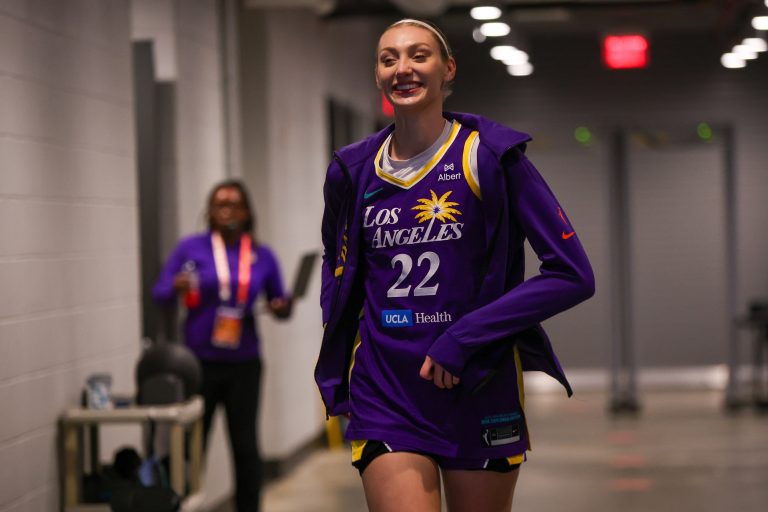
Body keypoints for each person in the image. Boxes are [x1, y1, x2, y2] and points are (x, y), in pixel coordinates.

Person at [315, 19, 594, 512]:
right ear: (378, 76)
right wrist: (338, 321)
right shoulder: (352, 171)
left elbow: (571, 274)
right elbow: (334, 261)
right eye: (388, 58)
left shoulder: (490, 156)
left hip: (478, 384)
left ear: (448, 69)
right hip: (386, 388)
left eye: (418, 55)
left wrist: (464, 338)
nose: (403, 68)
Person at [153, 179, 291, 512]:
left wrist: (281, 307)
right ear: (210, 211)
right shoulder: (191, 248)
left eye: (233, 204)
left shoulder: (261, 254)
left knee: (245, 447)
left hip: (244, 364)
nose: (225, 209)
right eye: (219, 204)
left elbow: (280, 303)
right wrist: (176, 285)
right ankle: (178, 505)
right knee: (189, 446)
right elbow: (159, 294)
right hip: (198, 364)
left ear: (246, 212)